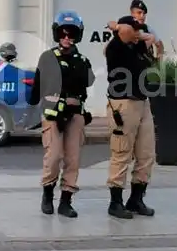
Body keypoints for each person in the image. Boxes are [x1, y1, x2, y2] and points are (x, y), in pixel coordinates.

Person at [30, 11, 95, 218]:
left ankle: (66, 200)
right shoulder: (48, 57)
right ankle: (47, 194)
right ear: (56, 34)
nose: (67, 38)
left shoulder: (82, 60)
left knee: (73, 159)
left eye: (71, 34)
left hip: (75, 113)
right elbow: (38, 87)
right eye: (63, 34)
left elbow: (88, 83)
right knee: (54, 156)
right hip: (53, 115)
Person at [104, 15, 156, 219]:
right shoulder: (115, 47)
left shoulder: (138, 48)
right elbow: (124, 31)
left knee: (146, 154)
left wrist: (145, 39)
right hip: (123, 104)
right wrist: (120, 28)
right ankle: (115, 202)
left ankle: (136, 199)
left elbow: (153, 45)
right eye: (134, 30)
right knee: (121, 153)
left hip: (142, 102)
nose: (137, 33)